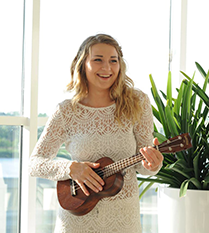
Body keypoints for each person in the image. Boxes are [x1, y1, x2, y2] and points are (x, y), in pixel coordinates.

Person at [29, 34, 164, 233]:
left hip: (123, 218)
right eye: (98, 60)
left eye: (113, 61)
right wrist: (71, 168)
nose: (107, 68)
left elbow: (143, 165)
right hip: (76, 219)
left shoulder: (138, 102)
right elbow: (35, 164)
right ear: (83, 64)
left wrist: (154, 164)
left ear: (121, 65)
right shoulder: (66, 111)